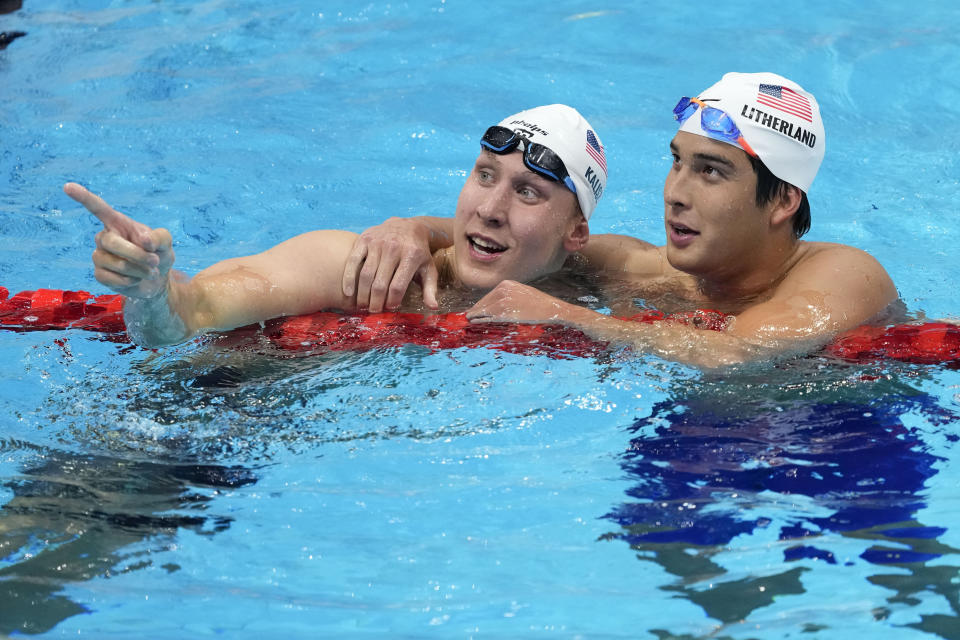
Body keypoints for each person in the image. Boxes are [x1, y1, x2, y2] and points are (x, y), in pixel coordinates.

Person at [342, 72, 898, 367]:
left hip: (852, 429)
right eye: (677, 162)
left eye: (710, 172)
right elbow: (520, 236)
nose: (675, 193)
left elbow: (739, 354)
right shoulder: (642, 268)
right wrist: (411, 227)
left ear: (783, 202)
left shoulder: (845, 274)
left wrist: (567, 316)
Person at [65, 104, 609, 348]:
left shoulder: (602, 288)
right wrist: (151, 290)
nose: (490, 208)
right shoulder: (356, 267)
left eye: (528, 192)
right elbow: (192, 313)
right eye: (485, 175)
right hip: (195, 418)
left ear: (575, 233)